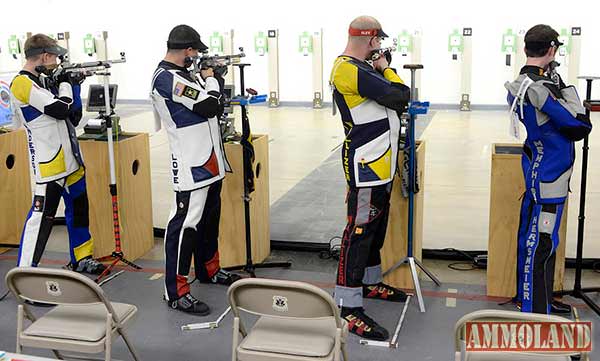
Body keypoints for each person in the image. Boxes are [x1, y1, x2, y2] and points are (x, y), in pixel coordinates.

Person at [330, 16, 411, 340]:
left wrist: (378, 67)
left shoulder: (360, 67)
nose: (380, 48)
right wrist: (385, 67)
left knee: (376, 227)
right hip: (366, 163)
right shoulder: (349, 68)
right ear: (372, 40)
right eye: (378, 42)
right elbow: (399, 95)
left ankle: (370, 281)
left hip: (381, 163)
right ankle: (348, 303)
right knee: (359, 231)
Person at [150, 24, 241, 315]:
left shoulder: (184, 75)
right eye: (196, 51)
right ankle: (175, 292)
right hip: (192, 165)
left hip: (210, 161)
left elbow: (212, 103)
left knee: (208, 223)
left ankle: (208, 270)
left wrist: (210, 79)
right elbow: (209, 106)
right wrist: (213, 81)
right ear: (188, 50)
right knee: (185, 226)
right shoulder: (167, 79)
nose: (197, 57)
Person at [505, 24, 592, 314]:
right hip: (550, 177)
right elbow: (579, 125)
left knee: (531, 238)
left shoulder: (522, 84)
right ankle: (535, 309)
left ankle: (530, 297)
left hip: (537, 171)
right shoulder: (540, 89)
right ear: (552, 50)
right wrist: (567, 90)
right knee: (540, 243)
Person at [10, 34, 106, 274]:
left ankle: (82, 257)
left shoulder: (43, 82)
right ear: (44, 56)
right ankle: (25, 273)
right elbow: (59, 109)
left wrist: (73, 84)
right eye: (54, 56)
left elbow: (73, 116)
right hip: (51, 165)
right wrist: (64, 82)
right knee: (40, 221)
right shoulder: (22, 84)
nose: (56, 60)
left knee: (79, 211)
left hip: (71, 161)